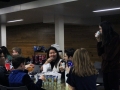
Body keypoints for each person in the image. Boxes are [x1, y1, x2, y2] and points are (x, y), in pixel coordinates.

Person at [95, 21, 120, 90]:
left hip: (113, 69)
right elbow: (100, 53)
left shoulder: (115, 38)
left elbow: (108, 56)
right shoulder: (105, 38)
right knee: (106, 87)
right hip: (105, 68)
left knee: (113, 88)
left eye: (100, 29)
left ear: (105, 28)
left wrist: (103, 54)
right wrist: (99, 41)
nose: (99, 31)